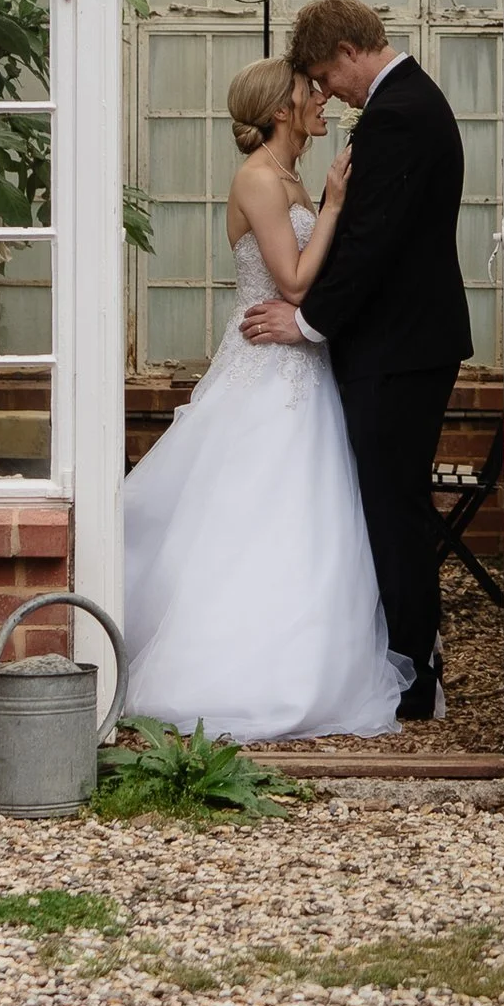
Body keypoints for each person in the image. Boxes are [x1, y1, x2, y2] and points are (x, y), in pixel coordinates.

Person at [116, 55, 408, 742]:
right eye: (311, 92)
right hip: (267, 373)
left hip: (303, 371)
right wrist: (337, 207)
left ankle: (307, 660)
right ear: (281, 109)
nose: (322, 100)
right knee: (252, 515)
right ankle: (232, 671)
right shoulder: (258, 180)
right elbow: (298, 283)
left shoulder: (289, 178)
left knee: (306, 520)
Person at [239, 0, 470, 720]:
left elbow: (371, 246)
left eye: (322, 76)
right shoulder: (404, 105)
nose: (326, 93)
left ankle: (411, 672)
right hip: (398, 346)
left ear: (344, 53)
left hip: (399, 351)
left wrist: (307, 323)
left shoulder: (399, 115)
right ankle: (402, 659)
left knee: (393, 507)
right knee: (385, 505)